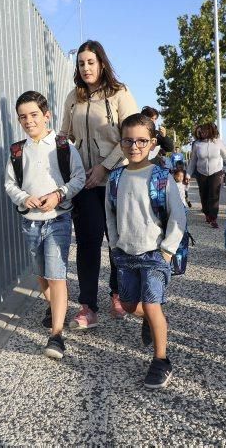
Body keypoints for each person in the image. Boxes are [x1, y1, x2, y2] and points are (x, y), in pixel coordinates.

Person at [59, 40, 138, 328]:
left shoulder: (119, 93)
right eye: (81, 63)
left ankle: (118, 293)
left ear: (101, 63)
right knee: (88, 243)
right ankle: (87, 305)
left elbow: (132, 135)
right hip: (85, 184)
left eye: (91, 62)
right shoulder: (72, 97)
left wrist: (104, 167)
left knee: (117, 241)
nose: (86, 67)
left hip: (116, 178)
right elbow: (64, 137)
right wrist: (69, 166)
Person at [105, 113, 187, 388]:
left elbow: (178, 216)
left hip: (154, 254)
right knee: (129, 305)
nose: (134, 146)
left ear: (152, 143)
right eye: (128, 140)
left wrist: (167, 251)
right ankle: (155, 320)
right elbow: (110, 214)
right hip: (125, 254)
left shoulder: (162, 177)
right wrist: (114, 244)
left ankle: (161, 360)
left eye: (142, 141)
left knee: (151, 302)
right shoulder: (116, 177)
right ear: (121, 143)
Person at [5, 91, 85, 359]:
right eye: (23, 117)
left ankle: (57, 335)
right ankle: (54, 308)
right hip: (30, 222)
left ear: (47, 115)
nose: (29, 121)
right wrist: (24, 198)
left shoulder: (62, 146)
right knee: (41, 273)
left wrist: (59, 194)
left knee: (56, 274)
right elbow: (9, 184)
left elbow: (79, 177)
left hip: (57, 219)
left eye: (34, 114)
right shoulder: (17, 150)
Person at [188, 122, 226, 229]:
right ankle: (207, 213)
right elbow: (192, 161)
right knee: (203, 194)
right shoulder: (197, 144)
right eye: (202, 130)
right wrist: (188, 175)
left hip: (216, 172)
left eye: (205, 130)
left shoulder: (218, 143)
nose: (202, 132)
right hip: (201, 173)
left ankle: (213, 217)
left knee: (214, 195)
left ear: (211, 131)